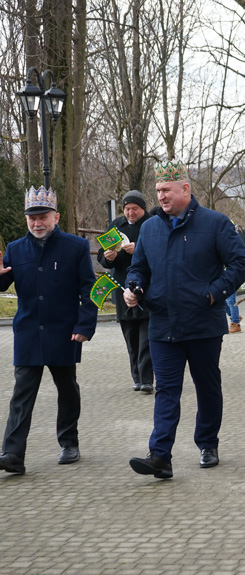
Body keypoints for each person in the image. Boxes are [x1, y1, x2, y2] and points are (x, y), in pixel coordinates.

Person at [125, 159, 245, 479]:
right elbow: (138, 267)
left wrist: (213, 294)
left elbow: (241, 263)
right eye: (157, 191)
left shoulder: (215, 224)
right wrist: (134, 287)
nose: (161, 196)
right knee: (166, 390)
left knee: (207, 387)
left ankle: (208, 443)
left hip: (203, 326)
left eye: (166, 190)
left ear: (185, 188)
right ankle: (160, 456)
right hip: (163, 324)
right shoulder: (150, 228)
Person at [0, 187, 97, 474]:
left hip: (64, 331)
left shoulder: (75, 247)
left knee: (67, 388)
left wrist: (85, 324)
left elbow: (89, 288)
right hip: (28, 332)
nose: (37, 223)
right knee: (22, 394)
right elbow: (3, 284)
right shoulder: (16, 250)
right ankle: (13, 454)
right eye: (32, 218)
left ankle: (69, 442)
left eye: (42, 217)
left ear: (56, 217)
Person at [97, 190, 154, 393]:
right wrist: (109, 257)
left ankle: (147, 379)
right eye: (127, 209)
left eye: (135, 209)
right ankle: (137, 378)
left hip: (146, 288)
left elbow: (161, 250)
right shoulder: (115, 226)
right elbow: (102, 257)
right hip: (122, 287)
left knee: (146, 338)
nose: (130, 213)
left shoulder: (152, 223)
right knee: (130, 337)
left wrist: (138, 248)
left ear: (143, 209)